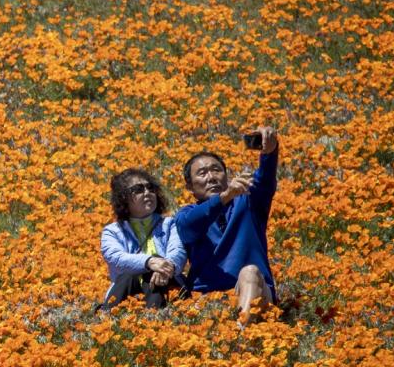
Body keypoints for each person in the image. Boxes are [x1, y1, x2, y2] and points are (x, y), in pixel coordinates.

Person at [174, 127, 279, 325]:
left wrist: (269, 153)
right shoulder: (184, 215)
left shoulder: (249, 201)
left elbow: (265, 179)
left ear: (226, 176)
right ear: (189, 186)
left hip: (253, 291)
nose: (211, 177)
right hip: (208, 300)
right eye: (202, 173)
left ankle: (241, 335)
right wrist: (224, 197)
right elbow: (191, 226)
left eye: (216, 170)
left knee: (250, 273)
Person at [98, 168, 187, 311]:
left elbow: (178, 252)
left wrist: (164, 268)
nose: (147, 193)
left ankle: (153, 319)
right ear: (123, 198)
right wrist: (149, 262)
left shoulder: (170, 224)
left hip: (166, 285)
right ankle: (110, 317)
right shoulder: (112, 231)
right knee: (130, 273)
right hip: (128, 290)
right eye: (138, 189)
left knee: (155, 271)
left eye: (150, 188)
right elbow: (116, 258)